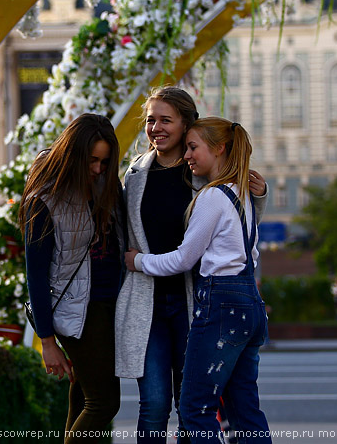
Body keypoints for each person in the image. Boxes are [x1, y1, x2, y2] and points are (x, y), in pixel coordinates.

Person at [115, 87, 266, 444]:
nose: (156, 127)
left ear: (187, 125)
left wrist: (259, 195)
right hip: (148, 302)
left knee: (193, 407)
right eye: (151, 120)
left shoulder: (206, 174)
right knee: (154, 404)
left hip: (195, 301)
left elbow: (236, 227)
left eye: (166, 120)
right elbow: (124, 233)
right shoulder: (135, 174)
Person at [20, 114, 124, 443]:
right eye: (92, 160)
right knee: (104, 402)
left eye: (105, 161)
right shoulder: (45, 199)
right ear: (74, 154)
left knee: (84, 396)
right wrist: (47, 342)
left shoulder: (107, 184)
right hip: (77, 310)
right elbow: (35, 276)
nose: (98, 168)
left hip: (109, 302)